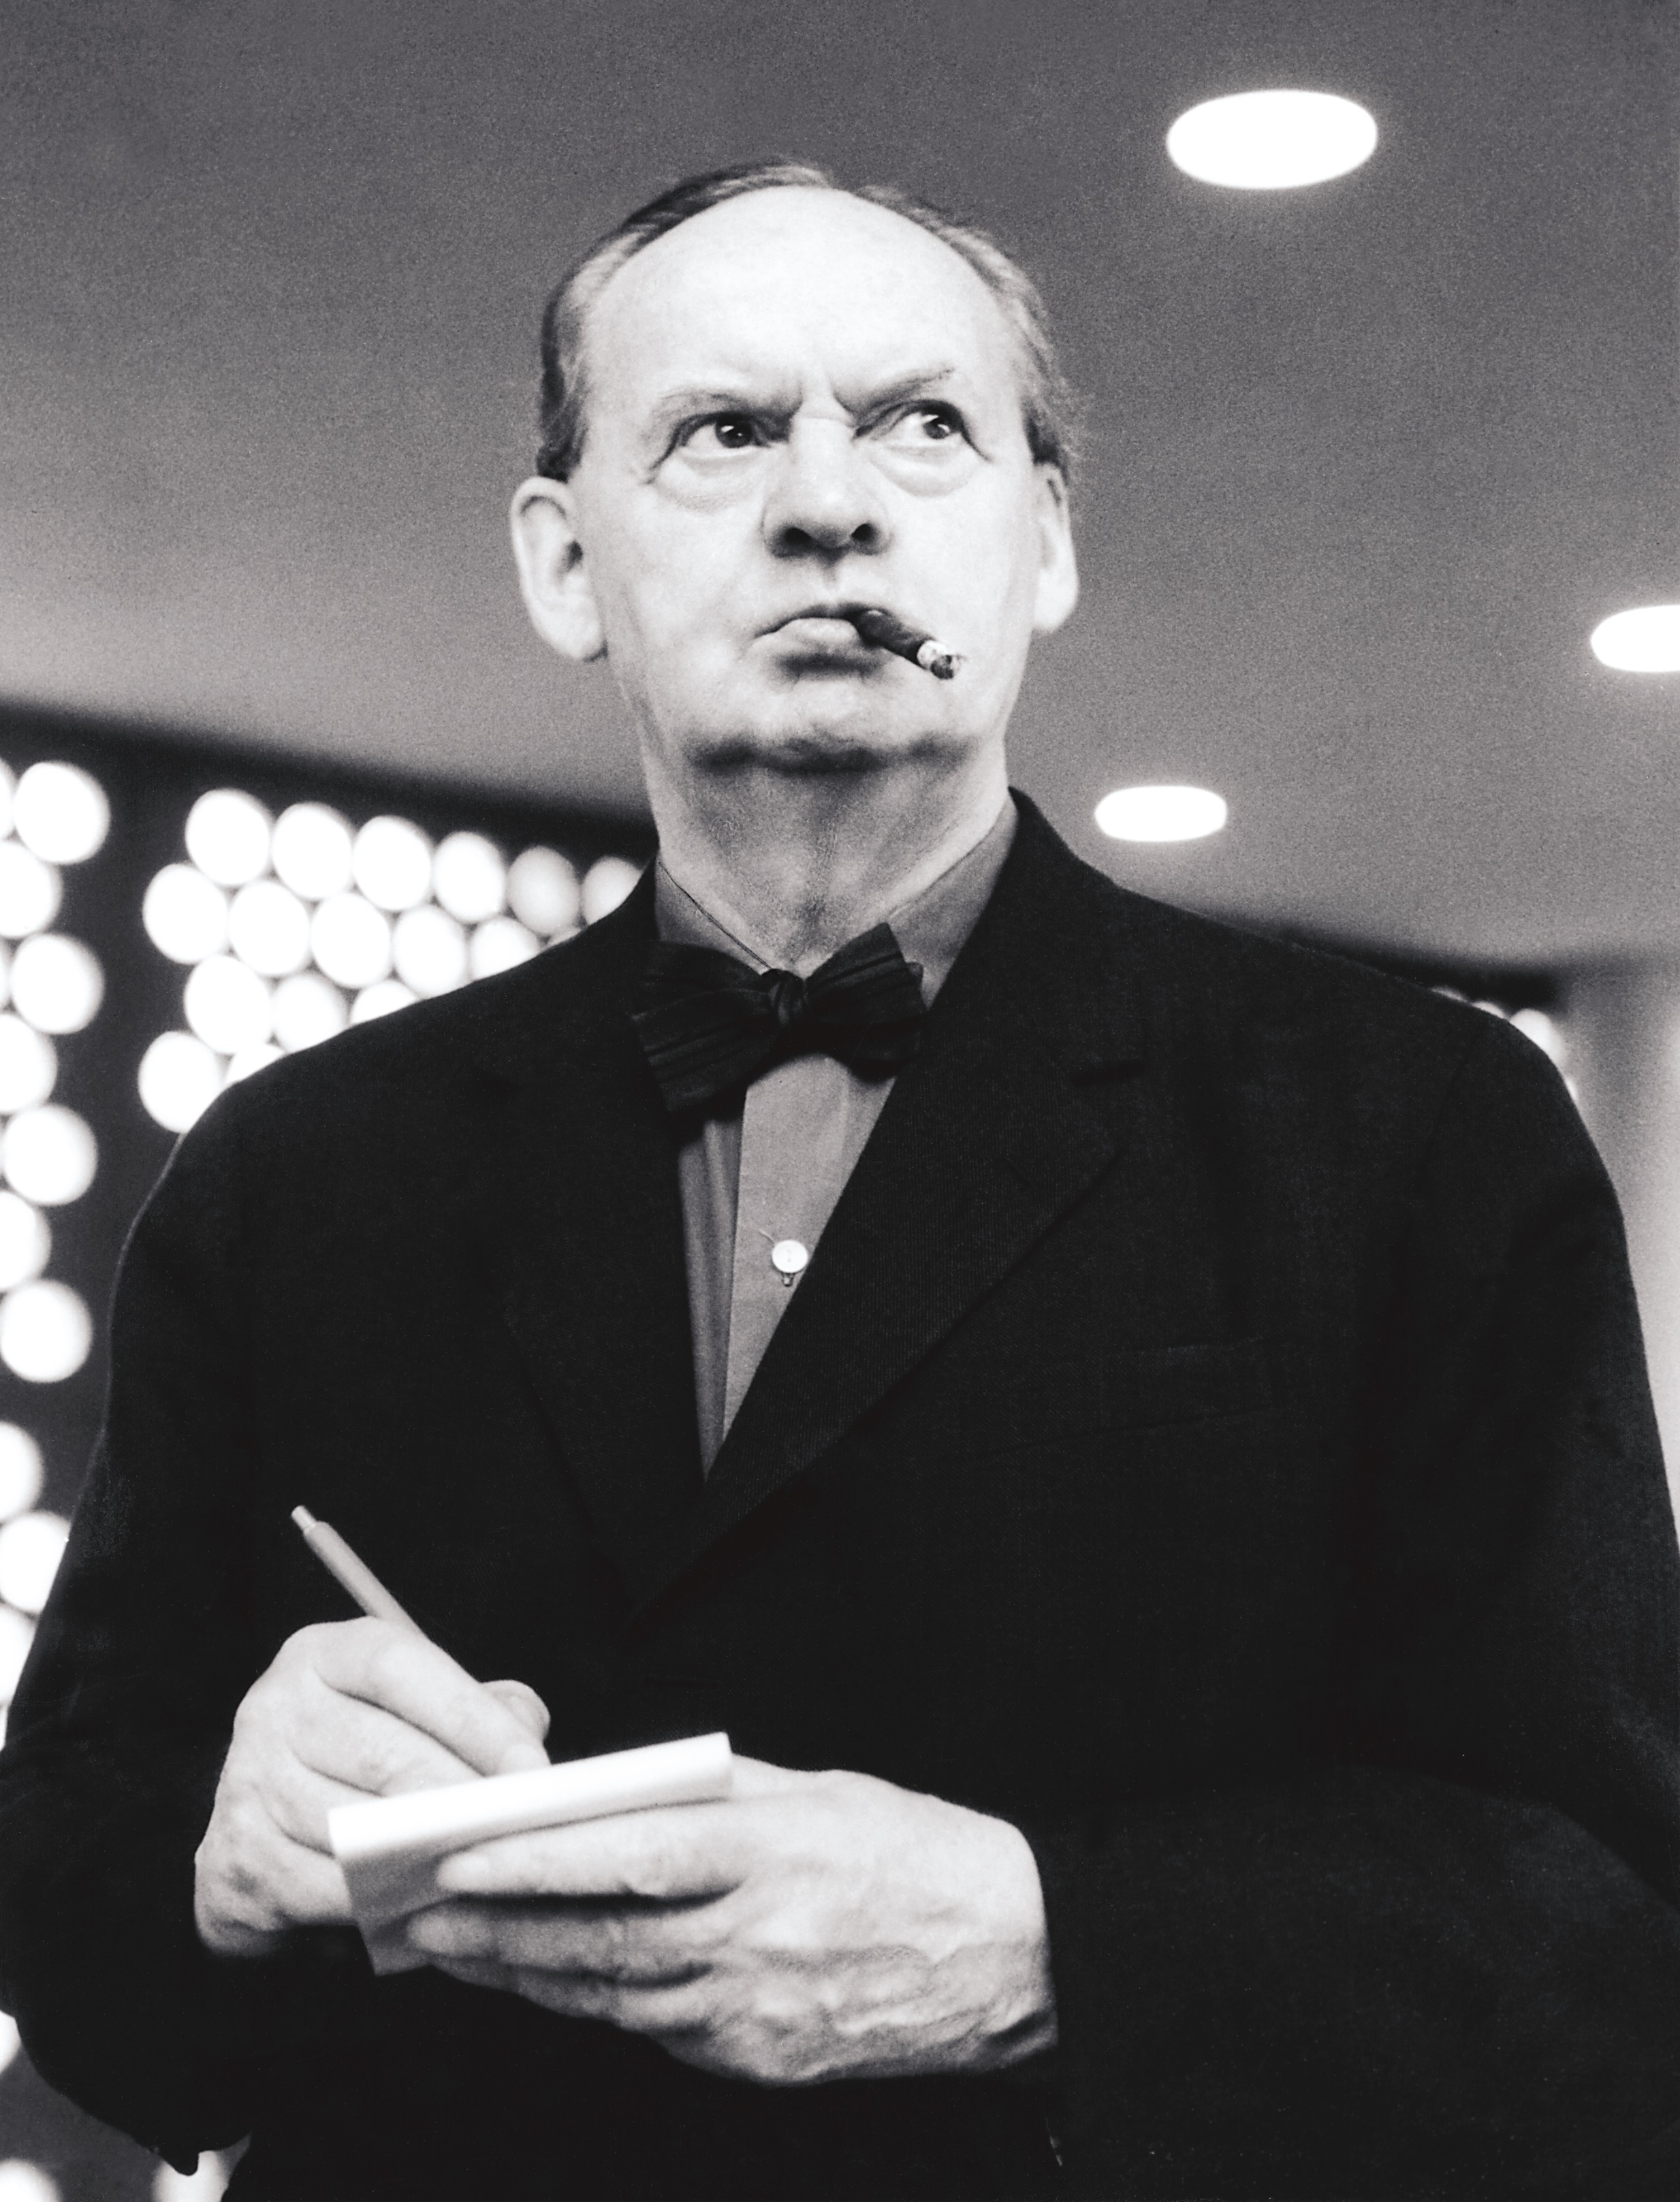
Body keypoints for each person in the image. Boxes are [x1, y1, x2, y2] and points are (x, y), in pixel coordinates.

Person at [3, 159, 1680, 2202]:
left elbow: (1615, 1924)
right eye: (723, 432)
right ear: (563, 564)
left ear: (1043, 542)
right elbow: (70, 1913)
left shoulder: (1419, 1124)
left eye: (921, 424)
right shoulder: (295, 1171)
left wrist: (1049, 1944)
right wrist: (218, 1855)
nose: (829, 502)